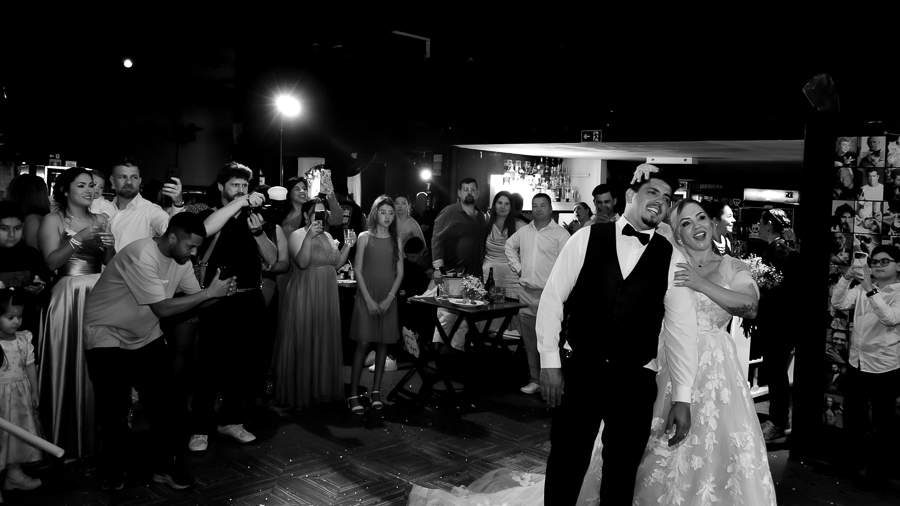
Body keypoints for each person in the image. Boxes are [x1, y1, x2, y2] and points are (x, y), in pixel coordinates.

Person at [538, 165, 698, 505]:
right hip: (582, 370)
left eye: (666, 198)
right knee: (566, 461)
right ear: (630, 196)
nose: (660, 202)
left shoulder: (671, 258)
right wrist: (549, 361)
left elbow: (682, 331)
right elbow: (552, 298)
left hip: (635, 381)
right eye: (652, 192)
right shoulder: (585, 238)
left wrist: (683, 396)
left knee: (621, 474)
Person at [83, 212, 235, 490]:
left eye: (197, 248)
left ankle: (164, 466)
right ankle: (115, 469)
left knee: (167, 404)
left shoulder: (181, 261)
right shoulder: (142, 254)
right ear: (172, 238)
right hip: (106, 333)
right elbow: (163, 308)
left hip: (145, 335)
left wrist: (220, 293)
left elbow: (195, 301)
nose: (194, 253)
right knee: (115, 407)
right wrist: (207, 294)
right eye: (190, 246)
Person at [188, 162, 277, 452]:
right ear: (221, 187)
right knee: (208, 367)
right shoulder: (208, 213)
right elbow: (204, 230)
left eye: (244, 185)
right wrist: (240, 202)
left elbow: (272, 259)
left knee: (242, 366)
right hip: (217, 299)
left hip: (250, 300)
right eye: (235, 185)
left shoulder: (256, 218)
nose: (241, 190)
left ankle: (232, 421)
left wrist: (259, 233)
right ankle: (200, 428)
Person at [37, 167, 116, 460]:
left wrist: (110, 247)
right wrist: (77, 238)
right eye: (81, 185)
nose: (89, 190)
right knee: (69, 360)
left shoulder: (101, 219)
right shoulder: (53, 220)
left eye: (92, 185)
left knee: (101, 363)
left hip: (98, 291)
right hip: (68, 294)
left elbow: (110, 262)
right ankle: (64, 437)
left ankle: (98, 437)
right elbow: (51, 263)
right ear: (65, 190)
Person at [830, 244, 900, 490]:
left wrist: (870, 288)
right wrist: (847, 277)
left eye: (884, 261)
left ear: (898, 266)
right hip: (857, 362)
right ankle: (850, 464)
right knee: (853, 418)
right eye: (875, 261)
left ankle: (878, 475)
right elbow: (838, 302)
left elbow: (890, 318)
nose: (878, 265)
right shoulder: (861, 287)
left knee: (883, 423)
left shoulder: (896, 292)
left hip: (884, 366)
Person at [274, 198, 354, 410]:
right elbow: (301, 263)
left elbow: (335, 264)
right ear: (306, 215)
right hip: (306, 291)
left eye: (323, 213)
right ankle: (302, 392)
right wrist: (309, 236)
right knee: (305, 337)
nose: (320, 216)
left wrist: (348, 246)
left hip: (327, 291)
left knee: (323, 337)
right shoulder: (298, 234)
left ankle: (321, 389)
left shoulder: (327, 235)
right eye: (315, 213)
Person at [505, 193, 569, 395]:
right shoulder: (524, 231)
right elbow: (509, 246)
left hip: (549, 295)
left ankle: (554, 382)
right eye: (535, 205)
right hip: (525, 292)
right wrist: (518, 267)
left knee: (551, 340)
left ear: (551, 209)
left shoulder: (561, 235)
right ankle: (535, 380)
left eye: (543, 205)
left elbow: (568, 263)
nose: (538, 209)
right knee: (530, 341)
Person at [347, 196, 404, 414]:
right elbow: (358, 270)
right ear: (374, 213)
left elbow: (400, 273)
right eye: (383, 212)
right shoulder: (364, 237)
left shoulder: (396, 239)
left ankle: (376, 391)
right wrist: (369, 299)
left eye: (391, 213)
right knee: (362, 343)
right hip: (366, 295)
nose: (387, 216)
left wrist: (390, 298)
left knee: (382, 344)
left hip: (388, 296)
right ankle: (353, 393)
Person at [753, 209, 801, 444]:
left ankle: (778, 422)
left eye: (761, 222)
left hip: (779, 323)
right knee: (776, 370)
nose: (758, 226)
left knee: (776, 371)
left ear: (769, 225)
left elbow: (776, 289)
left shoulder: (779, 251)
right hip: (782, 322)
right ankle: (779, 419)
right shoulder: (782, 248)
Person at [0, 289, 43, 497]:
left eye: (19, 316)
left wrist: (35, 390)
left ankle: (13, 475)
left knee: (16, 437)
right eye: (10, 317)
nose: (16, 321)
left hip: (19, 400)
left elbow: (30, 365)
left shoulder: (24, 338)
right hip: (1, 399)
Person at [107, 157, 184, 251]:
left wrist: (178, 204)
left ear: (139, 181)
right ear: (112, 181)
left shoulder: (150, 210)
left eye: (134, 177)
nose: (129, 182)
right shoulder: (102, 208)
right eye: (122, 177)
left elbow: (171, 232)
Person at [0, 202, 50, 334]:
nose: (11, 234)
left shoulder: (31, 255)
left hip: (25, 326)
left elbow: (46, 286)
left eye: (17, 228)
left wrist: (39, 289)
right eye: (4, 229)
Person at [431, 178, 486, 279]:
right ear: (459, 193)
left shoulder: (481, 216)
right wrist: (438, 268)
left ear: (477, 193)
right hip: (454, 273)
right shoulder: (449, 212)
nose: (469, 192)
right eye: (465, 189)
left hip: (476, 274)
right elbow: (437, 239)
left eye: (472, 189)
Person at [483, 191, 527, 301]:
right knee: (489, 308)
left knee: (510, 308)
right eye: (500, 203)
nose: (503, 207)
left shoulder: (521, 226)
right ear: (494, 205)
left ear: (511, 207)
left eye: (507, 204)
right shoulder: (486, 223)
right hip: (489, 275)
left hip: (512, 277)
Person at [4, 173, 52, 250]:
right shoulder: (31, 218)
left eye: (8, 189)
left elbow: (34, 254)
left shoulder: (33, 220)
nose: (5, 193)